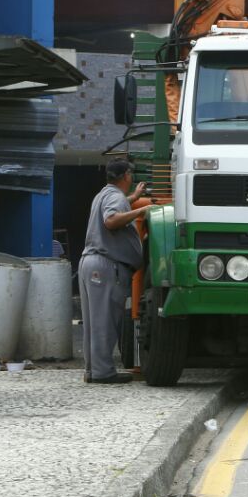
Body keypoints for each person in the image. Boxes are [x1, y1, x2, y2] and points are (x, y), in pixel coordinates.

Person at [79, 159, 148, 385]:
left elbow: (116, 207)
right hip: (106, 264)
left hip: (91, 263)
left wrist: (133, 199)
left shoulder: (104, 194)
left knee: (94, 321)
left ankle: (94, 370)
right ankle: (102, 373)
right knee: (105, 321)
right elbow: (111, 220)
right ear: (126, 175)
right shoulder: (114, 197)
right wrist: (143, 208)